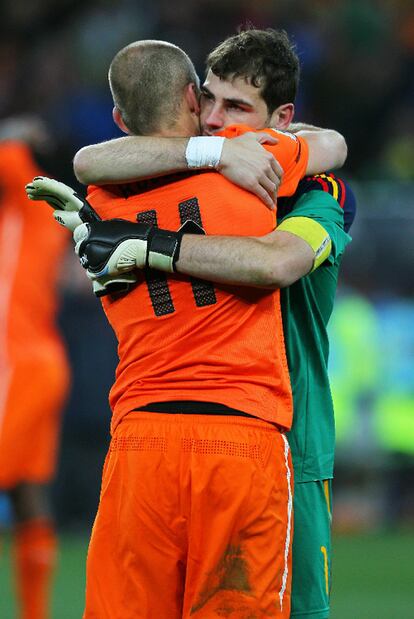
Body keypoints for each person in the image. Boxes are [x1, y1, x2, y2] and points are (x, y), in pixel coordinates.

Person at [28, 38, 346, 618]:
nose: (221, 120)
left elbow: (88, 162)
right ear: (192, 101)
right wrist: (218, 152)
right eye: (211, 100)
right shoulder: (249, 160)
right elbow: (331, 149)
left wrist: (143, 245)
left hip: (158, 440)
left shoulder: (105, 201)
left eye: (236, 108)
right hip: (247, 433)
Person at [0, 117, 70, 619]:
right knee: (28, 491)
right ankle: (35, 613)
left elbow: (8, 147)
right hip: (45, 360)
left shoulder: (23, 196)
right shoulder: (50, 213)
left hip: (14, 360)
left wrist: (18, 128)